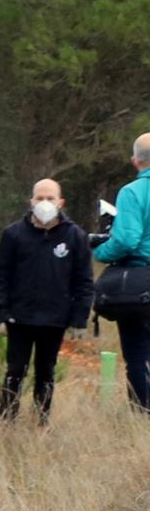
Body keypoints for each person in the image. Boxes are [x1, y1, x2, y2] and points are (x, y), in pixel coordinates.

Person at [0, 177, 96, 422]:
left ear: (60, 202)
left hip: (55, 318)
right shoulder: (13, 234)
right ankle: (6, 419)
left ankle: (41, 420)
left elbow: (84, 281)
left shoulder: (75, 236)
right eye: (39, 198)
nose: (44, 203)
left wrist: (79, 319)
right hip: (19, 317)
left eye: (50, 198)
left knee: (45, 372)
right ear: (31, 201)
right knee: (15, 371)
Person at [94, 133, 150, 412]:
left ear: (135, 160)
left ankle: (143, 411)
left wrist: (100, 252)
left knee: (139, 351)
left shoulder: (132, 192)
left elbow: (127, 240)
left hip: (141, 282)